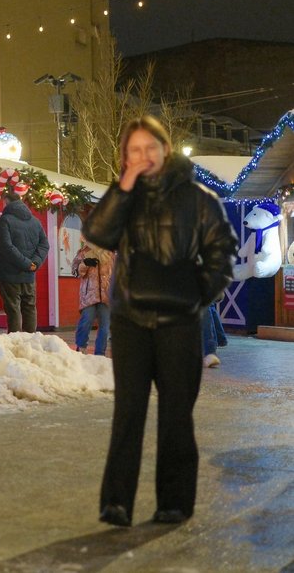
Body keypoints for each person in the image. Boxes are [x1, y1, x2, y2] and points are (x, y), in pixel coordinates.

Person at [84, 115, 237, 528]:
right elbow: (97, 233)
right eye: (134, 150)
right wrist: (123, 187)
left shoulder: (198, 198)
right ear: (125, 156)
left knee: (175, 414)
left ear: (165, 150)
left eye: (150, 148)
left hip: (179, 324)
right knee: (128, 413)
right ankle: (116, 502)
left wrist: (195, 295)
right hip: (131, 320)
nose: (143, 156)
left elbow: (223, 253)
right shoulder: (125, 196)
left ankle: (174, 503)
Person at [0, 189, 49, 333]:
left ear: (6, 202)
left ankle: (15, 340)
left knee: (13, 308)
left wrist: (25, 263)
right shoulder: (35, 221)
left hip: (8, 274)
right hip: (29, 275)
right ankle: (30, 340)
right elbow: (44, 245)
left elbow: (5, 247)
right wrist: (34, 263)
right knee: (29, 306)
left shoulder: (5, 220)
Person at [71, 242, 114, 355]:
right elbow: (75, 272)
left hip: (106, 295)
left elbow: (116, 273)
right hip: (89, 295)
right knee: (86, 322)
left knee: (105, 327)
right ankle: (81, 348)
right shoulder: (84, 251)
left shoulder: (111, 253)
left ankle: (100, 353)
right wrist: (84, 263)